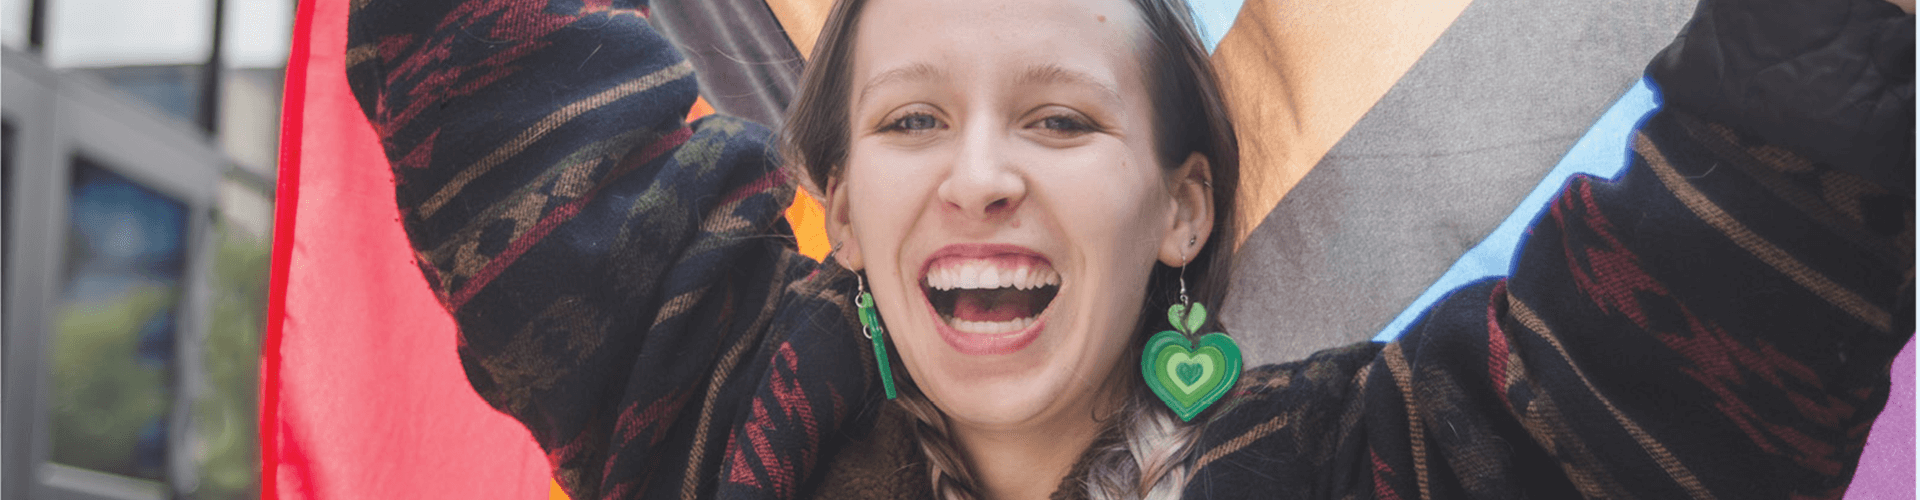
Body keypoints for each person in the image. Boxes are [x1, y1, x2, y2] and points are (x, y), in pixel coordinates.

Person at [343, 0, 1913, 498]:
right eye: (906, 126)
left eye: (1060, 124)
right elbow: (504, 107)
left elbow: (1672, 369)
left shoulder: (1346, 471)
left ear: (1181, 206)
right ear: (833, 186)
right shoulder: (730, 420)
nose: (979, 180)